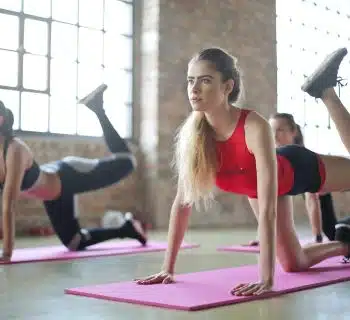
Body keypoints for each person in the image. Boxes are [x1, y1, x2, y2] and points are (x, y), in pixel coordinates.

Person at [135, 46, 350, 297]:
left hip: (297, 170)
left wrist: (266, 280)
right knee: (294, 264)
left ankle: (325, 91)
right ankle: (345, 245)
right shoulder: (194, 137)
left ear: (227, 87)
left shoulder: (253, 125)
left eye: (205, 81)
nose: (194, 89)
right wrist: (167, 269)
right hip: (260, 189)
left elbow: (268, 210)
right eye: (190, 81)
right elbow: (181, 205)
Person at [1, 84, 147, 262]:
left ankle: (98, 108)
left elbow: (9, 204)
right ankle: (127, 229)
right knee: (74, 242)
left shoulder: (15, 149)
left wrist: (7, 253)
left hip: (67, 175)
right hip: (53, 193)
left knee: (128, 162)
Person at [246, 113, 338, 246]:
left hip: (330, 227)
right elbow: (266, 202)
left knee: (336, 234)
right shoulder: (273, 159)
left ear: (293, 132)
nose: (275, 135)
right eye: (271, 130)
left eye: (280, 130)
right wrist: (262, 237)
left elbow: (312, 200)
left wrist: (318, 238)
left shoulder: (304, 158)